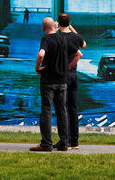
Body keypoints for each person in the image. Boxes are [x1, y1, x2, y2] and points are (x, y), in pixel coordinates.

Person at [29, 17, 82, 152]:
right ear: (55, 26)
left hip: (48, 81)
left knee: (46, 111)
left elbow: (41, 54)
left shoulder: (46, 39)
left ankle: (46, 143)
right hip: (62, 81)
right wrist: (67, 68)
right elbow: (78, 54)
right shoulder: (63, 39)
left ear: (43, 28)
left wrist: (37, 67)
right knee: (62, 111)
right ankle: (64, 143)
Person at [54, 13, 86, 150]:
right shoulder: (75, 37)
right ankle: (74, 141)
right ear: (69, 23)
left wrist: (56, 28)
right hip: (74, 76)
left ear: (58, 24)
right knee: (73, 109)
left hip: (62, 76)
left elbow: (51, 37)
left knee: (62, 109)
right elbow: (83, 44)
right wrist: (70, 28)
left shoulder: (57, 37)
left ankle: (65, 141)